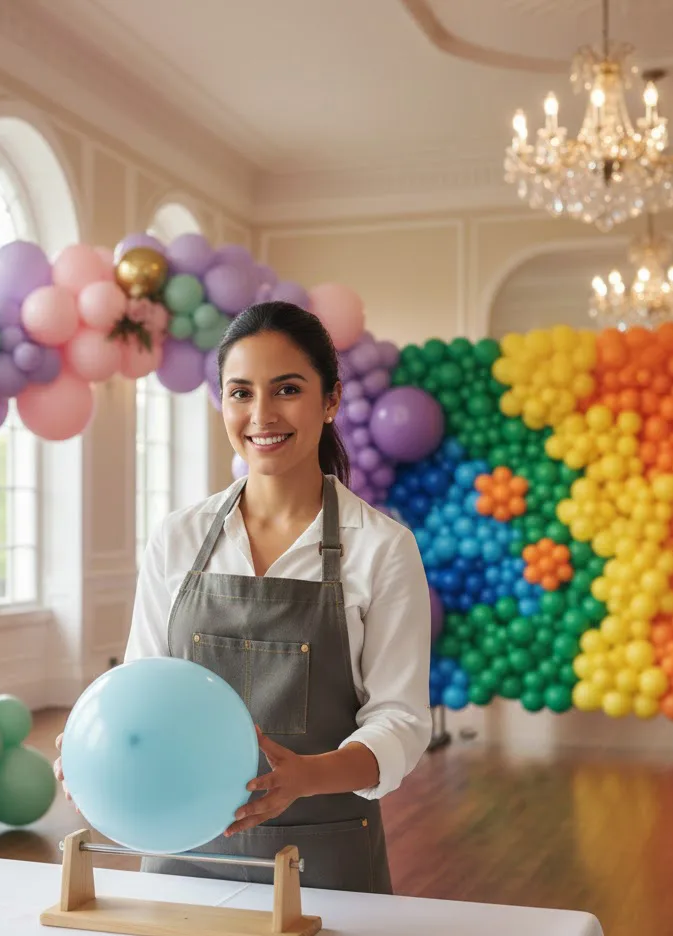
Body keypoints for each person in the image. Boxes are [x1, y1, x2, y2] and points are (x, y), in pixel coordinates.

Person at [54, 300, 431, 894]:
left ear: (330, 401)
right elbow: (141, 685)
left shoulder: (382, 549)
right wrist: (93, 751)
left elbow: (402, 721)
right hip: (181, 851)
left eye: (286, 389)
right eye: (240, 392)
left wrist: (307, 776)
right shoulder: (177, 538)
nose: (261, 414)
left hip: (322, 859)